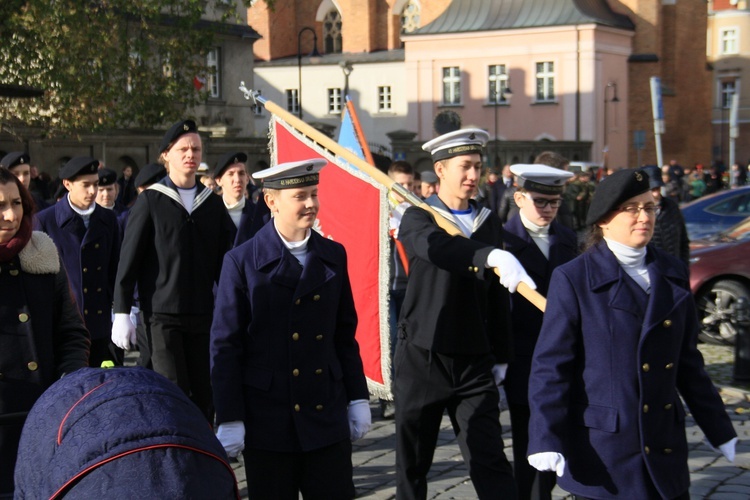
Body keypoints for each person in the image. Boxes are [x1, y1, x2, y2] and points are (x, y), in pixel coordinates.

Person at [527, 168, 737, 499]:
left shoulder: (672, 271)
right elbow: (551, 367)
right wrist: (545, 437)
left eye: (650, 207)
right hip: (606, 452)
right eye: (631, 208)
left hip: (663, 444)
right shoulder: (574, 278)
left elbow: (688, 362)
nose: (644, 216)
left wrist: (719, 428)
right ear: (603, 219)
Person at [210, 158, 370, 499]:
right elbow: (225, 345)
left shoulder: (333, 254)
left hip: (324, 410)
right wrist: (230, 416)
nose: (311, 204)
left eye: (314, 193)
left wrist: (357, 396)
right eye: (300, 196)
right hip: (268, 418)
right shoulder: (242, 261)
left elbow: (344, 333)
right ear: (272, 201)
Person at [394, 128, 535, 500]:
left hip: (474, 361)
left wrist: (502, 355)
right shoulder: (418, 217)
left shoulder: (487, 221)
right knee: (414, 464)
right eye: (465, 167)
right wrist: (485, 256)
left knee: (489, 459)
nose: (473, 175)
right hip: (425, 355)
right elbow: (435, 248)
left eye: (477, 166)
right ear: (440, 170)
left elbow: (495, 296)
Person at [112, 119, 234, 421]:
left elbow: (228, 262)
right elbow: (129, 260)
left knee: (206, 392)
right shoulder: (152, 200)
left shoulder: (211, 204)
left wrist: (235, 305)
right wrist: (121, 311)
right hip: (162, 315)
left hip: (203, 312)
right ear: (166, 155)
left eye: (196, 148)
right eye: (183, 149)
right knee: (173, 391)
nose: (190, 154)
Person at [0, 167, 90, 496]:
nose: (10, 215)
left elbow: (70, 330)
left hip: (45, 412)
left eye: (16, 203)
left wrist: (70, 382)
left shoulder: (42, 251)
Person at [502, 164, 577, 500]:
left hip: (562, 354)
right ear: (519, 197)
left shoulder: (567, 237)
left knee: (560, 434)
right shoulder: (502, 241)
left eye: (555, 202)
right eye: (541, 201)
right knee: (527, 440)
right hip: (522, 355)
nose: (548, 209)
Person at [35, 156, 122, 368]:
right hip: (64, 323)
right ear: (67, 184)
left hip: (100, 322)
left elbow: (115, 269)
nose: (93, 191)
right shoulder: (46, 220)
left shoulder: (108, 219)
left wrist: (120, 311)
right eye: (86, 185)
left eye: (96, 184)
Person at [382, 160, 415, 419]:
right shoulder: (380, 210)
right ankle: (389, 397)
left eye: (409, 185)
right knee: (390, 343)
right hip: (385, 290)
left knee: (410, 343)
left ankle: (410, 392)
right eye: (400, 185)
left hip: (410, 287)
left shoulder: (417, 214)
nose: (405, 190)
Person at [213, 151, 265, 248]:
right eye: (230, 174)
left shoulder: (259, 215)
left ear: (247, 179)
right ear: (219, 180)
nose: (237, 179)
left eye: (241, 173)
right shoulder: (210, 214)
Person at [640, 165, 690, 265]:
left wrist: (683, 267)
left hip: (674, 269)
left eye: (657, 189)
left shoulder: (671, 206)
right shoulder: (638, 211)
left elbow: (683, 241)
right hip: (651, 271)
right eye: (652, 189)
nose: (656, 194)